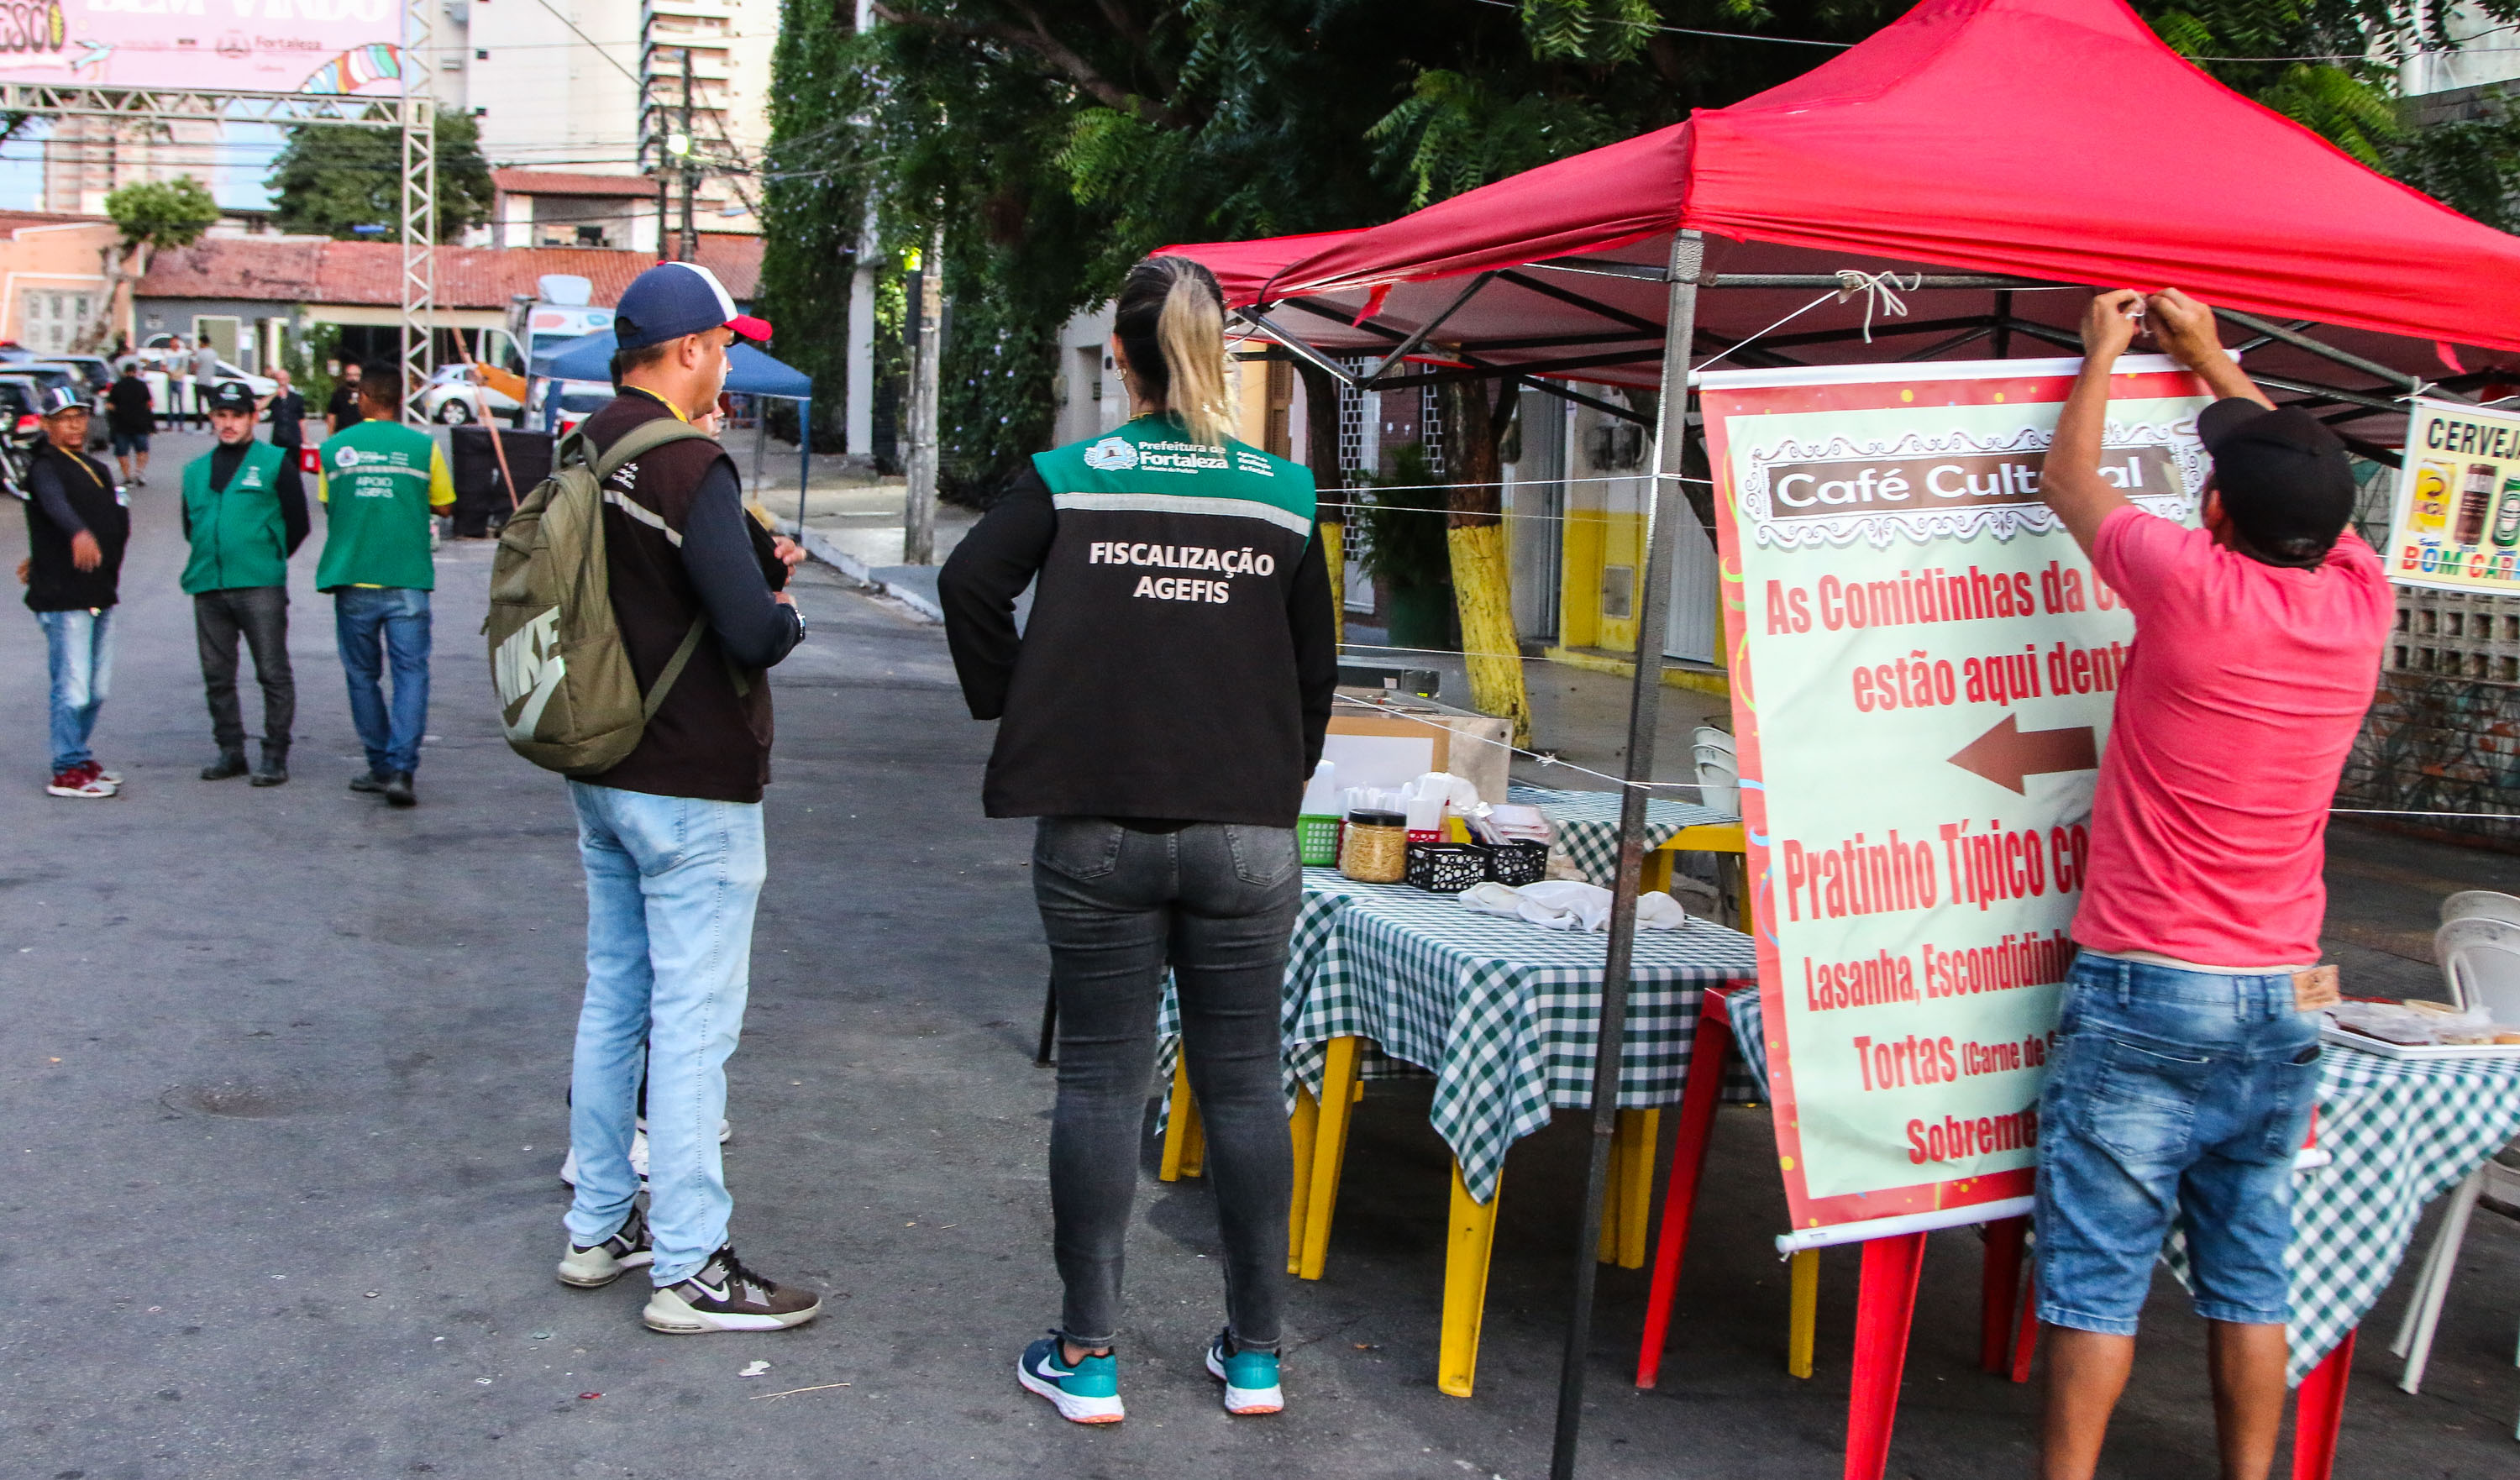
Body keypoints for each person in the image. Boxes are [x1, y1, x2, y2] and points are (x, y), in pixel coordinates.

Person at [938, 255, 1336, 1425]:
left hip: (1097, 826)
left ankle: (1090, 1356)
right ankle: (1257, 1357)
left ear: (1120, 355)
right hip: (1246, 831)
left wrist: (1028, 705)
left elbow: (969, 584)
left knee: (1105, 1083)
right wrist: (1269, 775)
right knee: (1247, 1084)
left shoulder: (1070, 478)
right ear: (1222, 353)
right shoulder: (1281, 494)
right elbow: (1315, 676)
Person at [2030, 288, 2392, 1480]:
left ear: (2216, 510)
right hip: (2285, 995)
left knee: (2098, 1276)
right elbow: (2302, 480)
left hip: (2148, 990)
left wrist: (2102, 357)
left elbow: (2070, 485)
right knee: (2252, 1271)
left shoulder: (2190, 584)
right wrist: (2212, 360)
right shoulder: (2358, 603)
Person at [553, 260, 817, 1336]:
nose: (729, 365)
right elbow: (752, 631)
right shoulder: (689, 461)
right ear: (690, 351)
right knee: (695, 1022)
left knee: (615, 995)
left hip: (602, 761)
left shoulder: (584, 447)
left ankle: (600, 1226)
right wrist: (787, 608)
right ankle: (693, 1263)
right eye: (723, 346)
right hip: (692, 780)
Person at [314, 364, 452, 806]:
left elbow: (328, 504)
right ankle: (402, 771)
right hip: (408, 578)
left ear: (364, 398)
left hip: (353, 576)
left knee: (363, 675)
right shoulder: (423, 446)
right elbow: (445, 506)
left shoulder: (334, 449)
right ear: (399, 398)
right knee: (411, 674)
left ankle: (378, 766)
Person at [183, 380, 308, 787]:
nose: (229, 423)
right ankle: (230, 751)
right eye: (221, 415)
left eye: (237, 415)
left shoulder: (275, 462)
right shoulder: (194, 471)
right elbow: (192, 525)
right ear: (212, 418)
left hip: (259, 585)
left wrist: (265, 556)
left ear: (254, 417)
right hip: (208, 584)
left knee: (271, 671)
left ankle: (275, 754)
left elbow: (298, 523)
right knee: (217, 675)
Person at [16, 386, 129, 799]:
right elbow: (53, 505)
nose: (75, 425)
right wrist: (77, 532)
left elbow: (116, 517)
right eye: (64, 418)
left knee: (96, 687)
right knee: (72, 685)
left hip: (99, 591)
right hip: (65, 597)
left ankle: (78, 754)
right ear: (47, 425)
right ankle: (65, 767)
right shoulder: (45, 466)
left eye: (80, 416)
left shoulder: (95, 467)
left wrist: (40, 553)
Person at [106, 359, 155, 487]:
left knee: (122, 452)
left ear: (125, 372)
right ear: (135, 372)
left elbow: (110, 405)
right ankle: (139, 472)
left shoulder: (117, 386)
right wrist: (151, 423)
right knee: (142, 450)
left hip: (122, 423)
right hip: (140, 423)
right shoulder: (142, 386)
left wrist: (118, 411)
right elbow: (149, 404)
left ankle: (127, 476)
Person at [265, 367, 307, 459]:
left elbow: (302, 419)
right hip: (278, 440)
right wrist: (275, 394)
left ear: (288, 380)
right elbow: (259, 407)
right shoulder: (274, 399)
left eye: (284, 379)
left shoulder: (297, 398)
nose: (282, 382)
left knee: (294, 468)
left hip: (294, 439)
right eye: (279, 379)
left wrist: (304, 438)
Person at [190, 337, 223, 433]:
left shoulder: (200, 353)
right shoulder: (214, 353)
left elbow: (194, 367)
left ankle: (199, 426)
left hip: (200, 382)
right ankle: (213, 426)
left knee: (199, 406)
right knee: (211, 406)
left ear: (202, 343)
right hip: (209, 382)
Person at [325, 360, 365, 438]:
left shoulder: (367, 393)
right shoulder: (339, 393)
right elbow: (331, 415)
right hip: (343, 433)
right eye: (350, 375)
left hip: (363, 434)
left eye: (356, 375)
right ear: (345, 376)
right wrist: (330, 435)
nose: (353, 378)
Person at [164, 337, 192, 433]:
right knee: (170, 403)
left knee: (180, 403)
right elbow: (164, 366)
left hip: (179, 379)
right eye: (172, 342)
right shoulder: (167, 353)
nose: (174, 344)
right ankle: (170, 425)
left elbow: (186, 365)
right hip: (171, 379)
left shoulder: (183, 354)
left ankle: (181, 425)